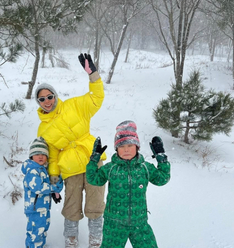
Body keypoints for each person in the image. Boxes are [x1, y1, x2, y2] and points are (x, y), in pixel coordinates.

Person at [34, 53, 106, 248]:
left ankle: (95, 241)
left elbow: (97, 97)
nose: (47, 101)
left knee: (96, 205)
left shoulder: (75, 105)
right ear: (38, 103)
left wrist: (93, 75)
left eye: (50, 96)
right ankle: (71, 241)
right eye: (42, 99)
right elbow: (53, 155)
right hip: (70, 168)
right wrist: (54, 179)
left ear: (55, 96)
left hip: (93, 160)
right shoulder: (43, 129)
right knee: (71, 207)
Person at [86, 120, 171, 248]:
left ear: (137, 147)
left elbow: (162, 179)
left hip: (140, 223)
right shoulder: (111, 168)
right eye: (122, 146)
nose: (126, 150)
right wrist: (94, 159)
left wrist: (161, 158)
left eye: (130, 146)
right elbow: (93, 179)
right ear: (116, 149)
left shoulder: (145, 168)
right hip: (114, 224)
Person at [21, 137, 64, 248]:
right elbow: (38, 188)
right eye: (37, 154)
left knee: (43, 229)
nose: (41, 156)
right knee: (35, 232)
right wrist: (53, 188)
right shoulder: (32, 170)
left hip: (43, 208)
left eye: (43, 154)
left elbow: (46, 186)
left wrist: (54, 191)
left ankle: (41, 245)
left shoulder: (42, 170)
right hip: (35, 209)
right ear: (31, 156)